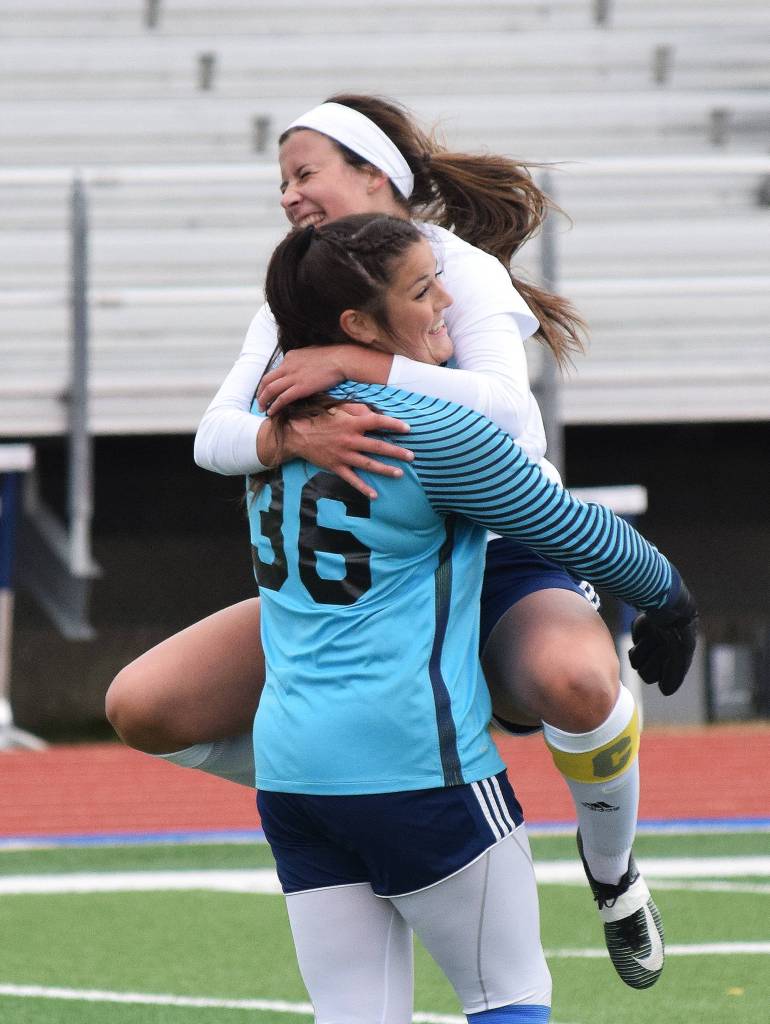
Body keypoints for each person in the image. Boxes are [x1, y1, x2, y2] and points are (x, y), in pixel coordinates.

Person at [105, 94, 695, 988]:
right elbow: (212, 436)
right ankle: (386, 765)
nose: (289, 195)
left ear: (374, 176)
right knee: (143, 704)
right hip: (364, 586)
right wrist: (286, 437)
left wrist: (362, 366)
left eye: (305, 173)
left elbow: (509, 419)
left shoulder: (453, 271)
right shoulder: (301, 290)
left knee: (577, 681)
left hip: (494, 545)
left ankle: (612, 876)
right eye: (282, 181)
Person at [247, 211, 695, 1022]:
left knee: (354, 1015)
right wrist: (670, 599)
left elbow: (227, 436)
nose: (446, 300)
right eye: (422, 290)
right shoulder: (433, 426)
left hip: (292, 774)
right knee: (509, 1003)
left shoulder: (274, 423)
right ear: (356, 326)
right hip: (419, 765)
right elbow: (572, 529)